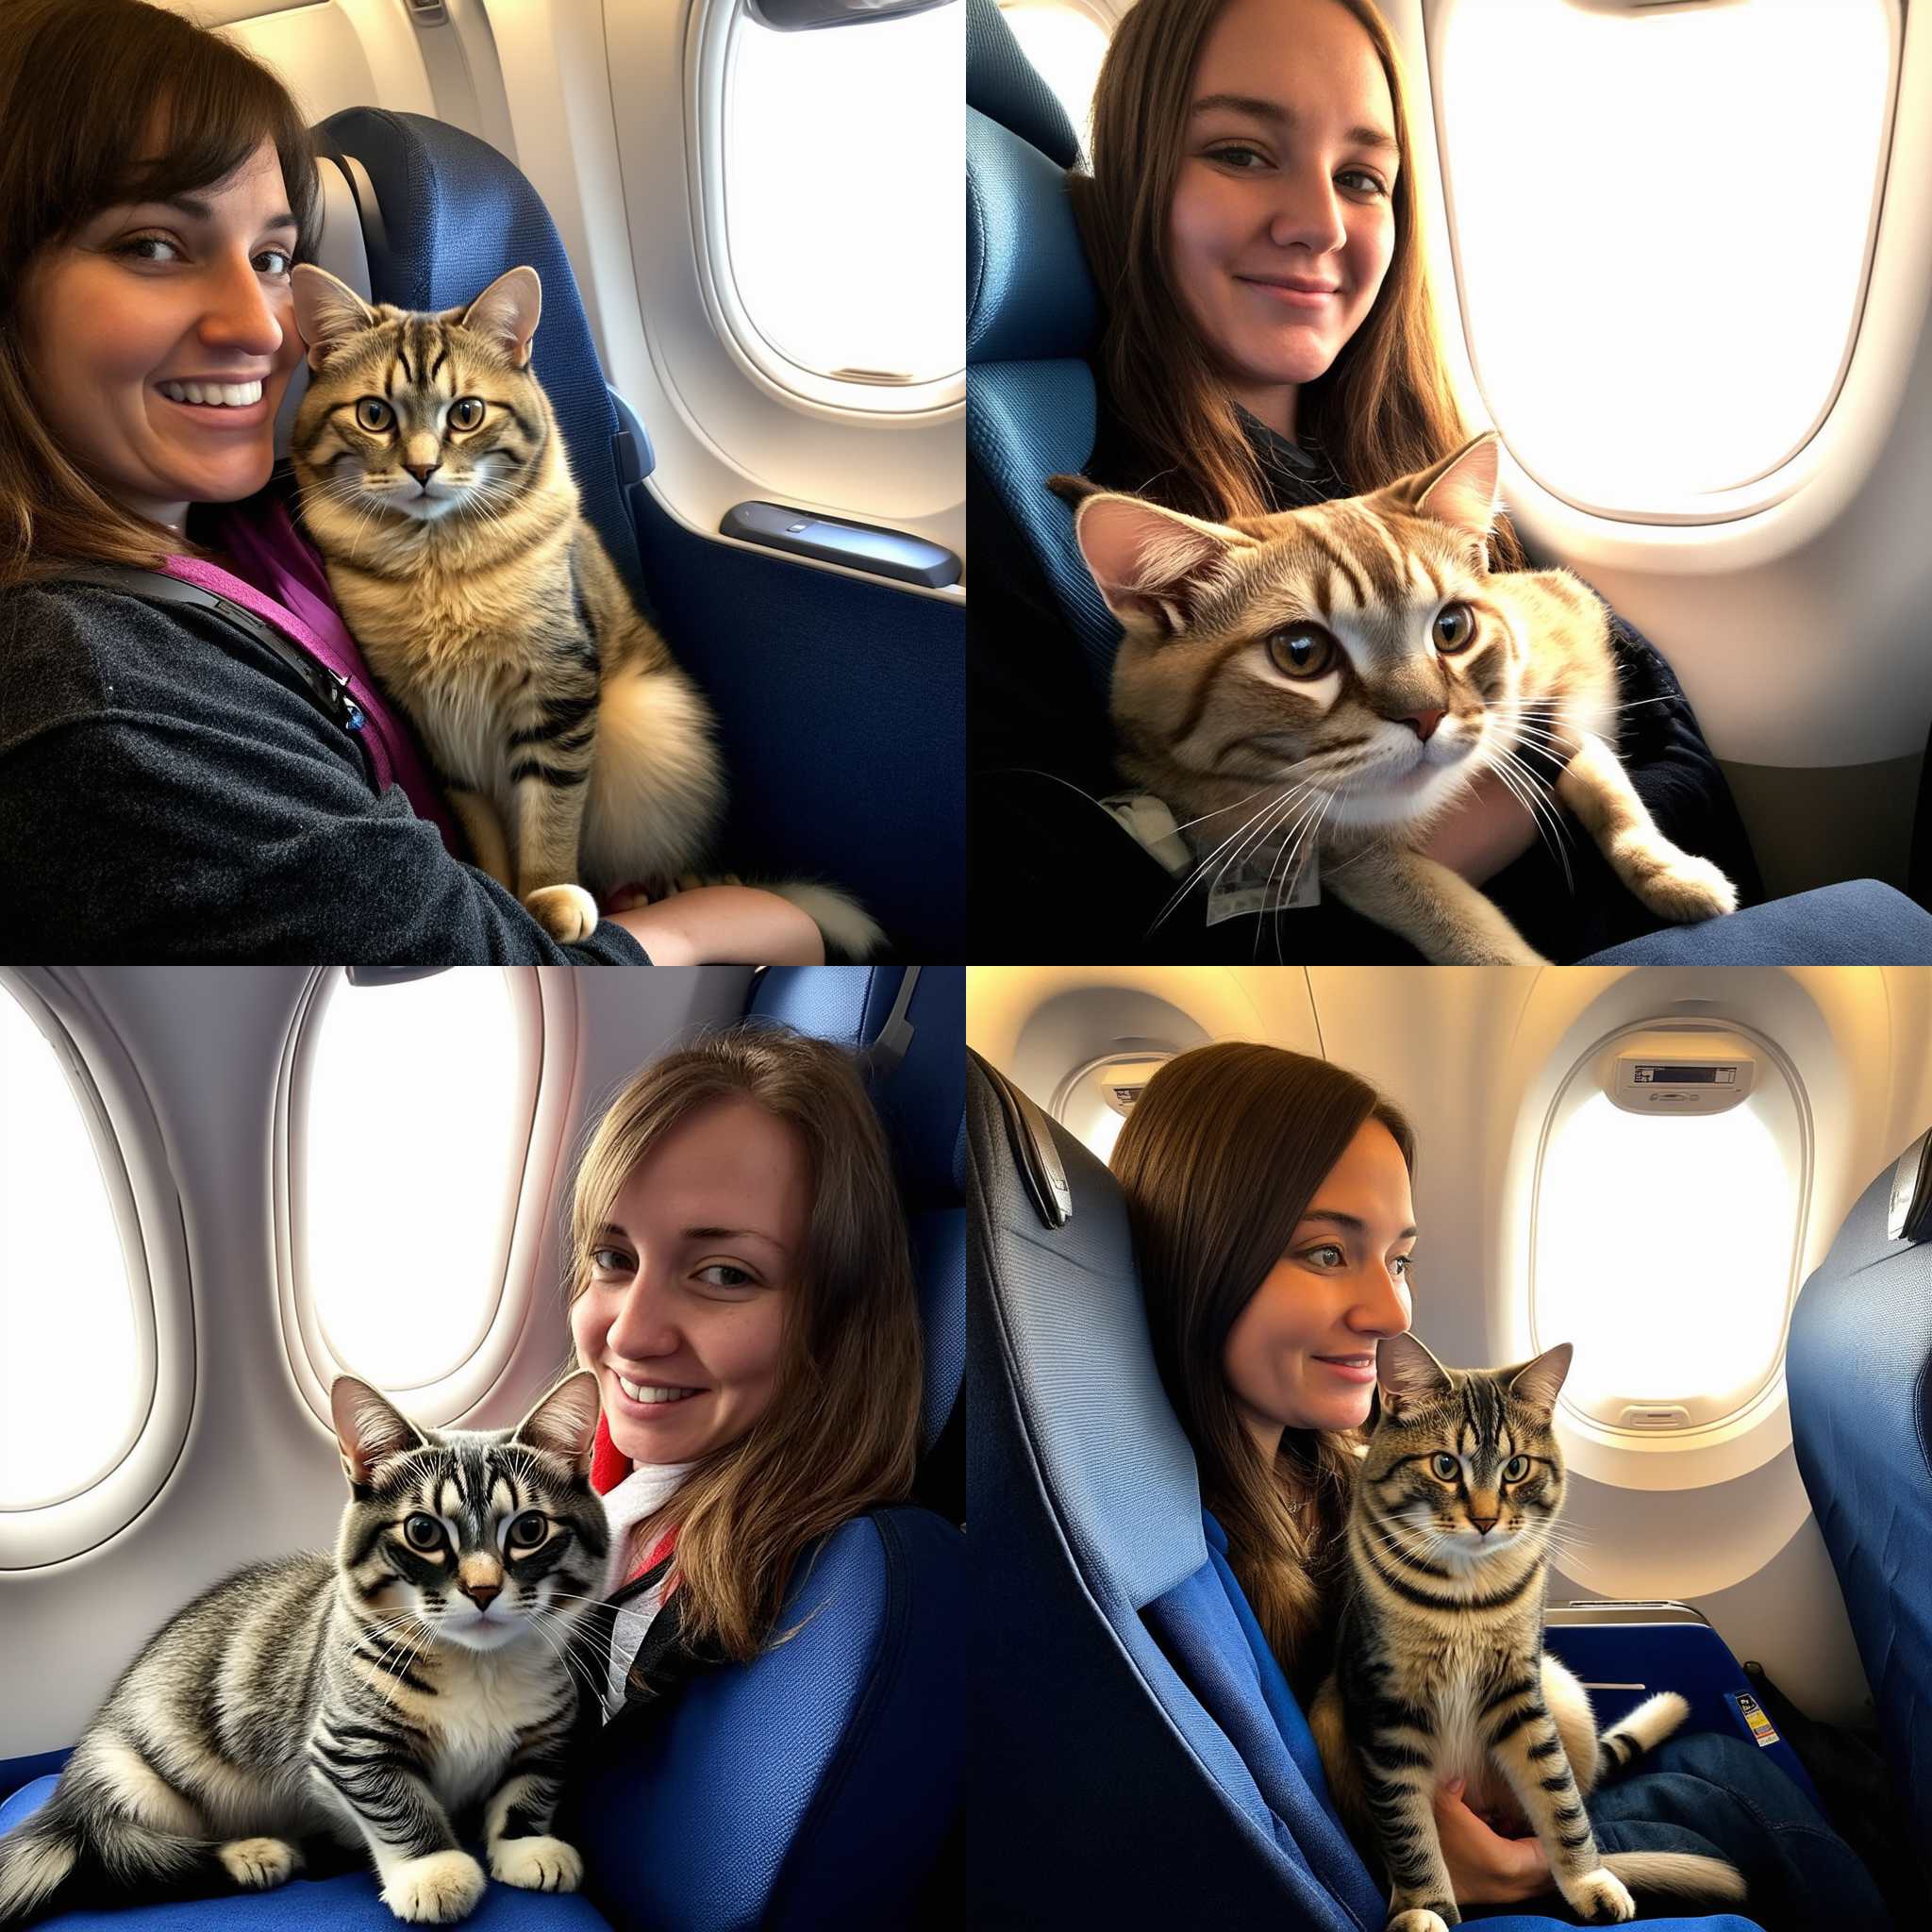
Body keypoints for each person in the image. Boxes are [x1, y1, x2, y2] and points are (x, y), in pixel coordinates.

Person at [0, 0, 824, 965]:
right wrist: (739, 926)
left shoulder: (253, 518)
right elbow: (503, 978)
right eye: (153, 245)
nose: (266, 329)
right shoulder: (104, 708)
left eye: (271, 256)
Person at [969, 0, 1761, 963]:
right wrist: (1476, 805)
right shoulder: (1065, 515)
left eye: (1359, 177)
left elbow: (1653, 716)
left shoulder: (1412, 441)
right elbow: (1093, 916)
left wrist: (1504, 785)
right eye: (1241, 152)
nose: (1316, 225)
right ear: (1137, 174)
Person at [1105, 1040, 1891, 1929]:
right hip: (1419, 1870)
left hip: (1476, 1780)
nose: (1393, 1310)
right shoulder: (1167, 1534)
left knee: (1739, 1766)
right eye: (1326, 1252)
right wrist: (1481, 1868)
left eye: (1399, 1258)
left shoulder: (1322, 1460)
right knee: (1750, 1816)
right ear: (1203, 1255)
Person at [560, 1023, 923, 1721]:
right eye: (613, 1258)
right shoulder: (601, 1497)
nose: (631, 1334)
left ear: (836, 1316)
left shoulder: (720, 1610)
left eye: (724, 1274)